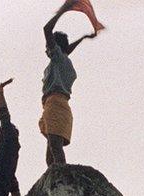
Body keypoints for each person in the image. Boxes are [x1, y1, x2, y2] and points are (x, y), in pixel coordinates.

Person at [39, 1, 97, 167]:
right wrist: (83, 38)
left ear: (54, 46)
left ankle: (63, 179)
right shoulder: (64, 61)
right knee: (50, 155)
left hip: (55, 105)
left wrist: (63, 10)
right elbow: (67, 50)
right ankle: (55, 181)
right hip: (58, 106)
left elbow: (46, 29)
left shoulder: (58, 57)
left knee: (55, 149)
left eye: (48, 45)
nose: (46, 49)